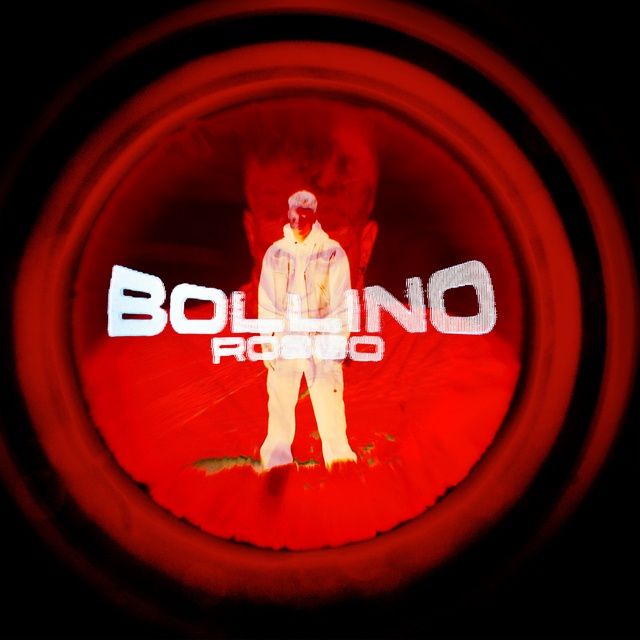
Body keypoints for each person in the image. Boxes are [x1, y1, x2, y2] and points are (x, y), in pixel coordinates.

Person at [258, 189, 358, 470]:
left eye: (305, 214)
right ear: (288, 212)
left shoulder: (332, 251)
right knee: (280, 404)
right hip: (286, 339)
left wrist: (339, 340)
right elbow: (266, 298)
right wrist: (267, 340)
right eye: (295, 213)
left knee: (330, 404)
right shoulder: (275, 253)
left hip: (320, 339)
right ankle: (276, 463)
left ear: (314, 216)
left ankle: (340, 461)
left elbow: (342, 299)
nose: (299, 220)